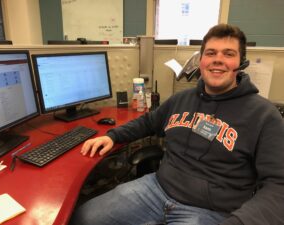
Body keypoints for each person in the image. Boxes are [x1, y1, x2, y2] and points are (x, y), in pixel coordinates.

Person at [69, 24, 284, 225]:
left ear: (241, 63)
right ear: (201, 61)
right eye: (211, 53)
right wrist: (113, 136)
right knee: (83, 217)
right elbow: (148, 122)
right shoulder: (181, 100)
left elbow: (278, 185)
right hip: (156, 189)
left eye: (228, 54)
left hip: (210, 210)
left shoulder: (264, 116)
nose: (218, 60)